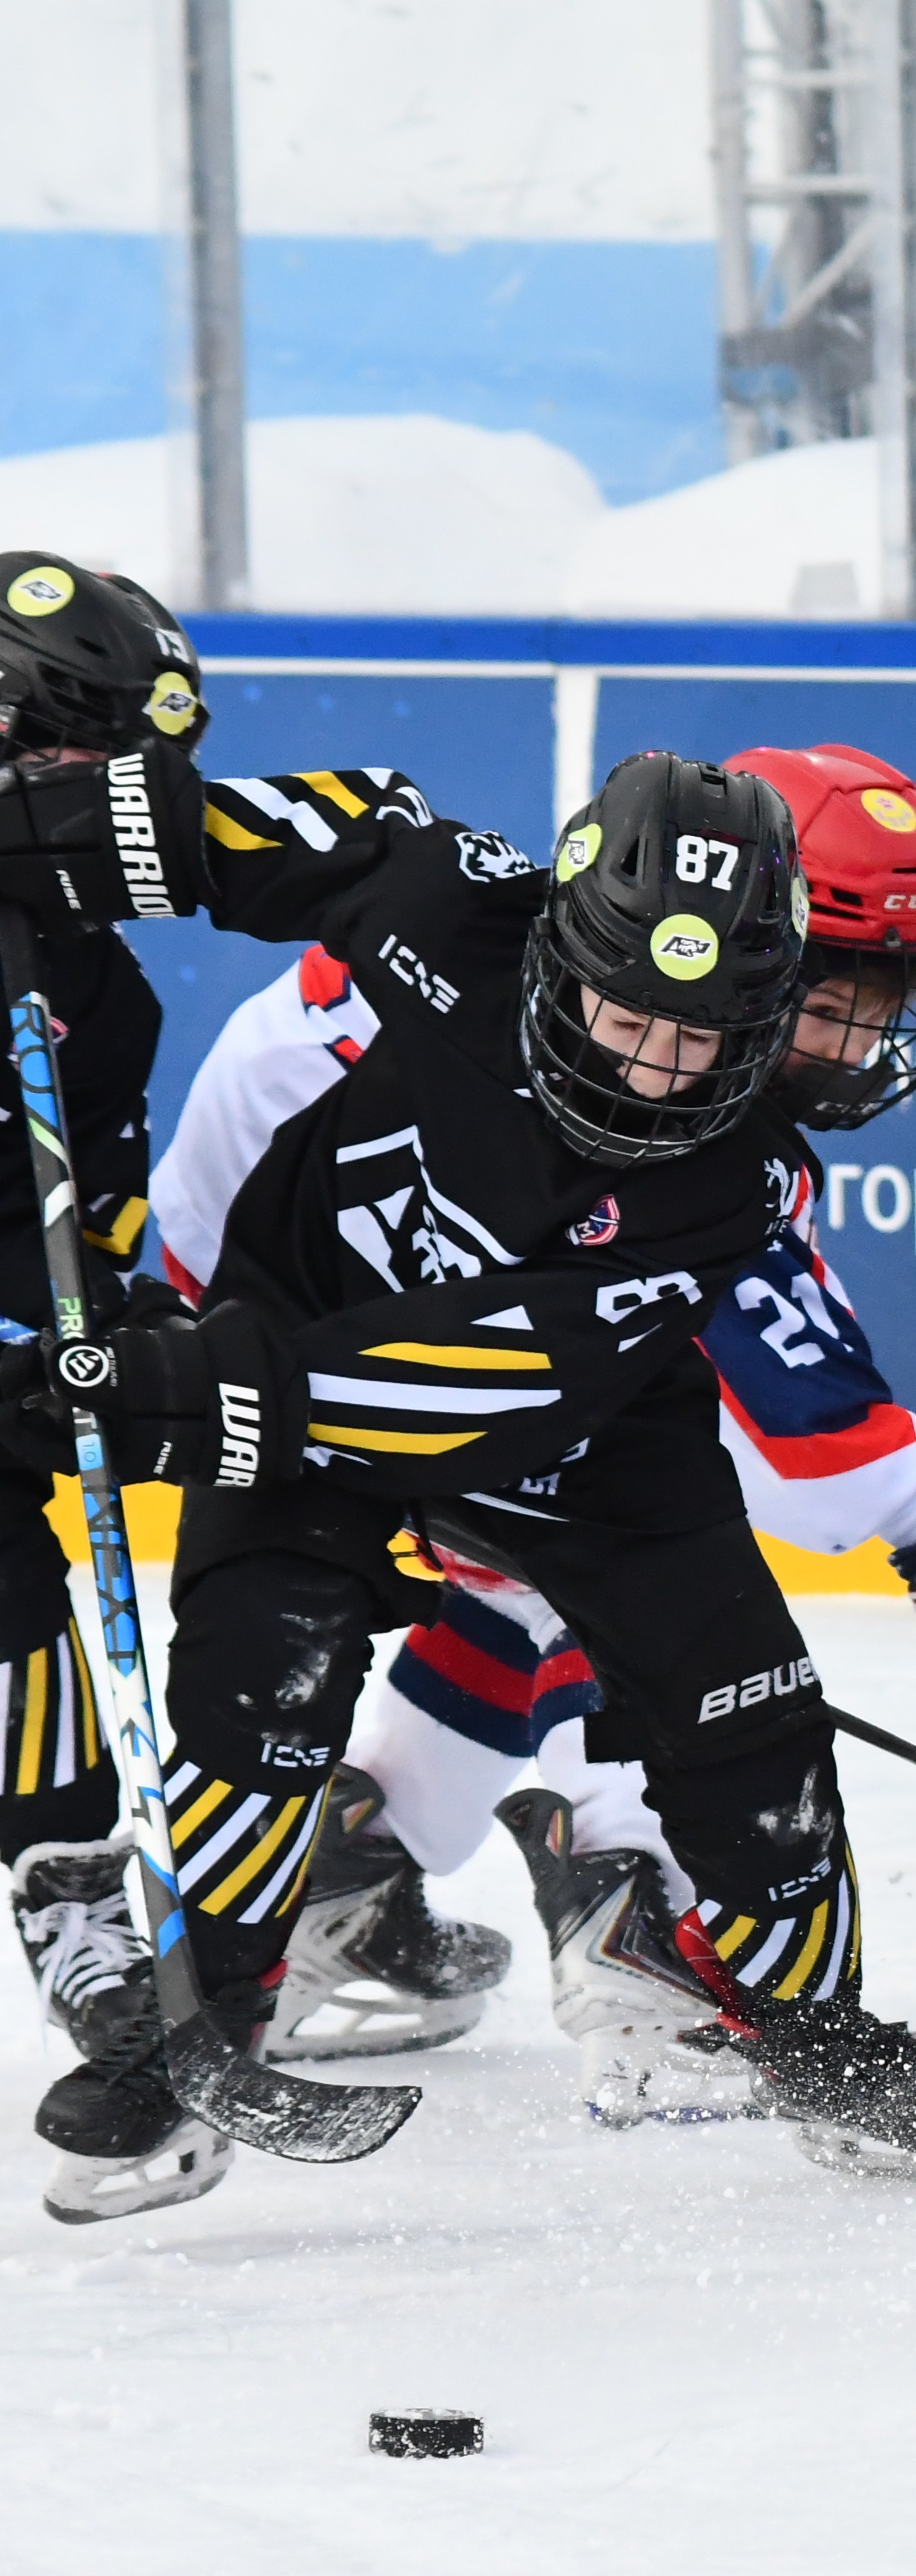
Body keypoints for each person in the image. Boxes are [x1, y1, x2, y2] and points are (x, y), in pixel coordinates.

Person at [0, 741, 916, 2220]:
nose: (664, 1069)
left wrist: (192, 1393)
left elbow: (486, 1370)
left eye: (714, 1038)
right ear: (560, 946)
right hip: (304, 1324)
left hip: (587, 1440)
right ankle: (195, 2024)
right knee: (257, 1683)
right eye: (630, 1017)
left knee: (749, 1715)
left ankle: (820, 2031)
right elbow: (297, 829)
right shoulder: (456, 910)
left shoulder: (736, 1182)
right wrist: (63, 831)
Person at [0, 552, 241, 2143]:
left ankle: (84, 1889)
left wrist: (94, 1321)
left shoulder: (109, 991)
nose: (119, 805)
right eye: (91, 767)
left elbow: (88, 1231)